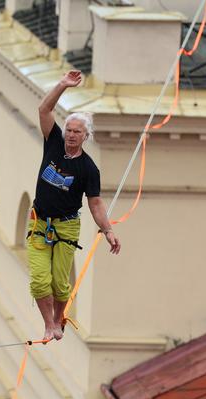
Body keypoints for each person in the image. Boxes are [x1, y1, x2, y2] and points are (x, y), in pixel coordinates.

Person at [30, 70, 121, 341]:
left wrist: (108, 230)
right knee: (38, 280)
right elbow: (44, 109)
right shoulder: (54, 143)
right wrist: (63, 85)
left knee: (60, 282)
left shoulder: (88, 168)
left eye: (76, 132)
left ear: (85, 136)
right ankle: (49, 325)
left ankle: (58, 319)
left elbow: (95, 203)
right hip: (38, 222)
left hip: (67, 226)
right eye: (68, 130)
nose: (70, 135)